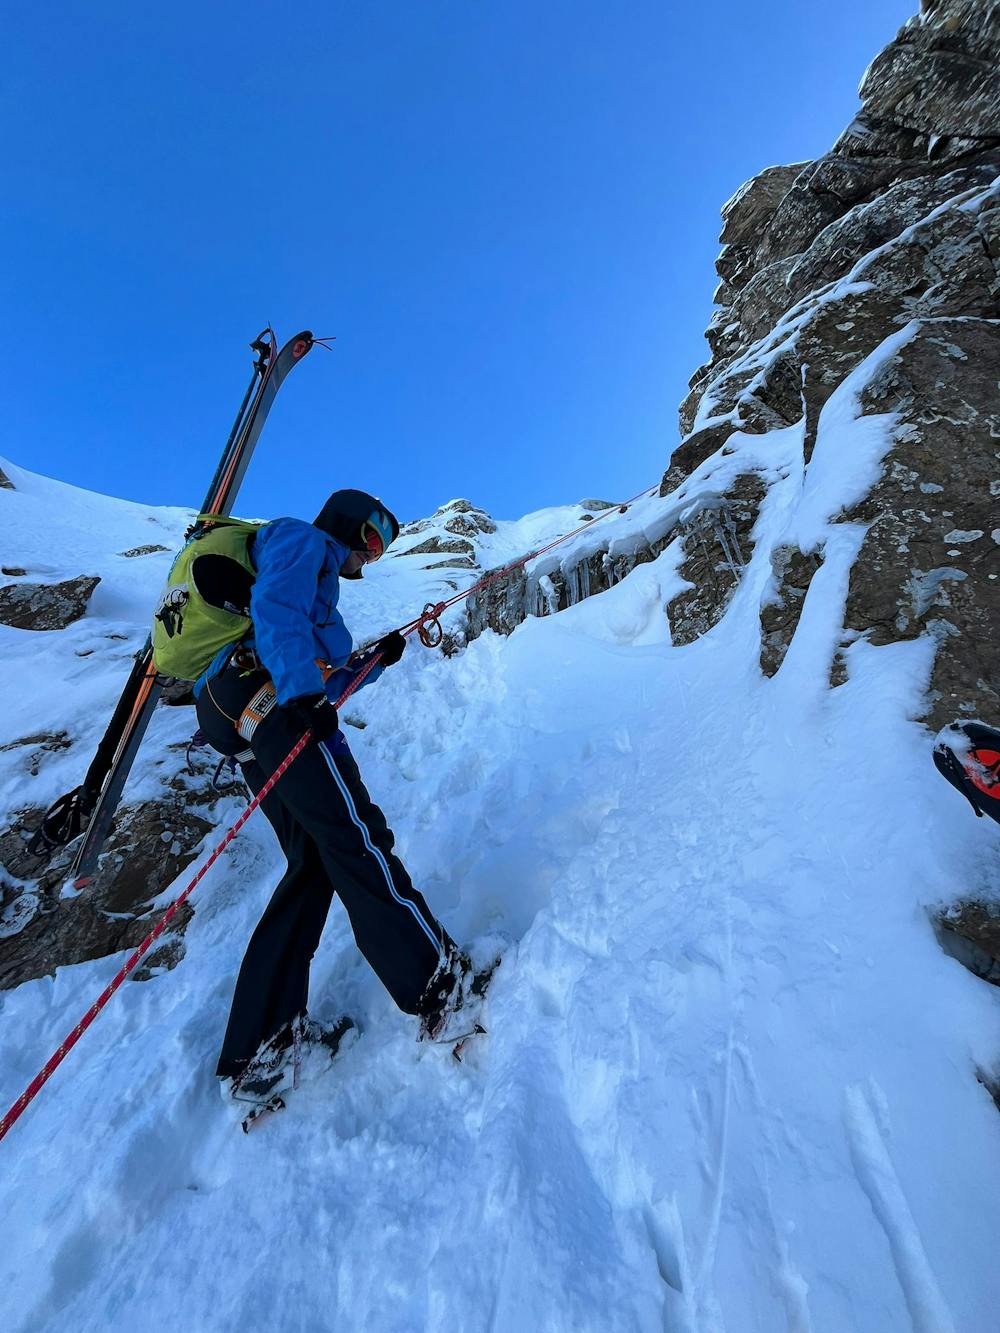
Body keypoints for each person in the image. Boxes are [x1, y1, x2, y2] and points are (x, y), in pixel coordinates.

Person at [194, 488, 478, 1101]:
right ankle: (438, 986)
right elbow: (275, 612)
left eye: (383, 548)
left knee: (316, 861)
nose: (372, 555)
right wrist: (300, 697)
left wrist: (376, 660)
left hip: (241, 710)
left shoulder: (318, 586)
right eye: (372, 537)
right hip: (268, 703)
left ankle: (260, 1050)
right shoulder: (303, 540)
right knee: (357, 838)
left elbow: (317, 663)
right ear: (346, 524)